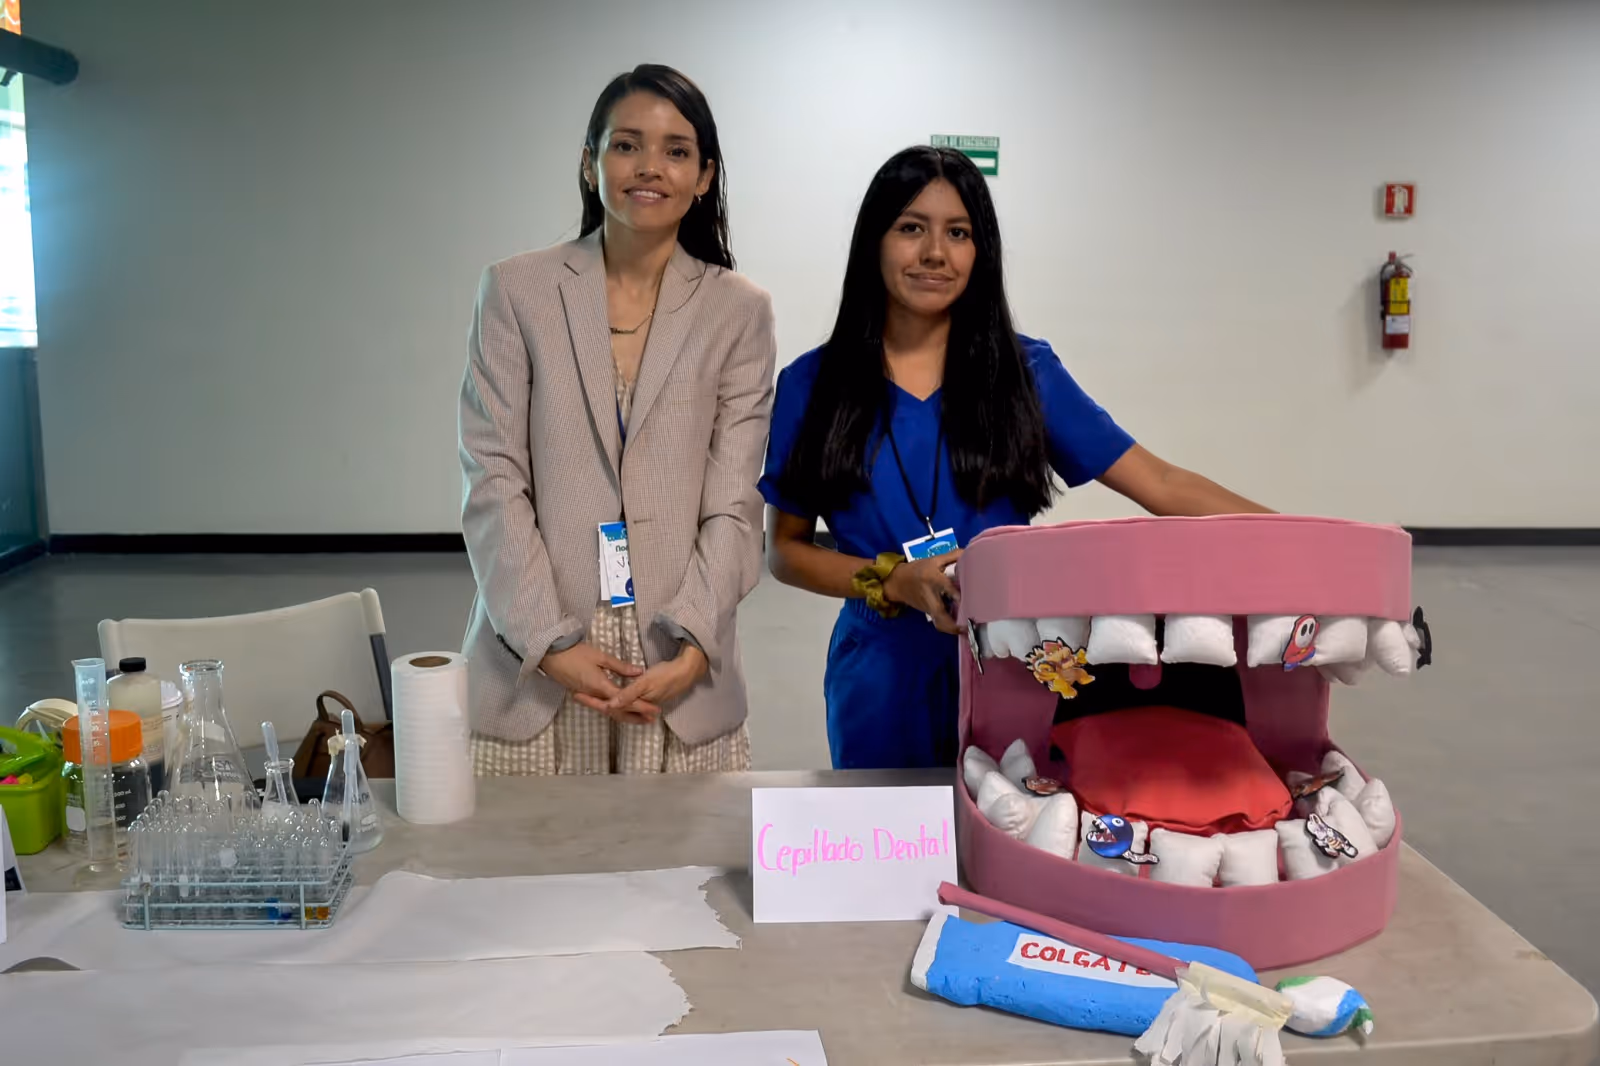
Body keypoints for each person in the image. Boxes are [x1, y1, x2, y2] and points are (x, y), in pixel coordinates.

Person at [760, 146, 1269, 771]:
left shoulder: (1025, 372)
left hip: (1015, 658)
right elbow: (786, 551)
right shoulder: (813, 385)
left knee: (1015, 816)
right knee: (894, 825)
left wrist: (1303, 545)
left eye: (958, 233)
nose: (935, 253)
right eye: (911, 228)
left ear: (982, 250)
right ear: (875, 241)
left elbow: (1159, 481)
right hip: (880, 672)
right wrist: (893, 580)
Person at [460, 65, 776, 775]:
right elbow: (492, 479)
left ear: (704, 176)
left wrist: (694, 646)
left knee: (677, 851)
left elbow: (735, 501)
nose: (650, 167)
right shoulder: (516, 290)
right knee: (534, 849)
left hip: (676, 657)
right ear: (590, 162)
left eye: (676, 150)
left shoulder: (739, 311)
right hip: (538, 654)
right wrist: (552, 644)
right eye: (627, 145)